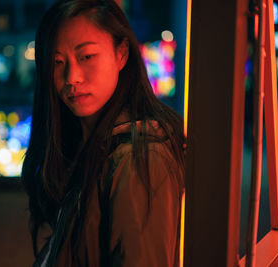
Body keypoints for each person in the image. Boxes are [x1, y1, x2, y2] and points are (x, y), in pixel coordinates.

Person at [21, 0, 185, 266]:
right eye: (58, 62)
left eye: (86, 57)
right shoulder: (91, 146)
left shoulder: (139, 158)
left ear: (121, 54)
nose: (71, 77)